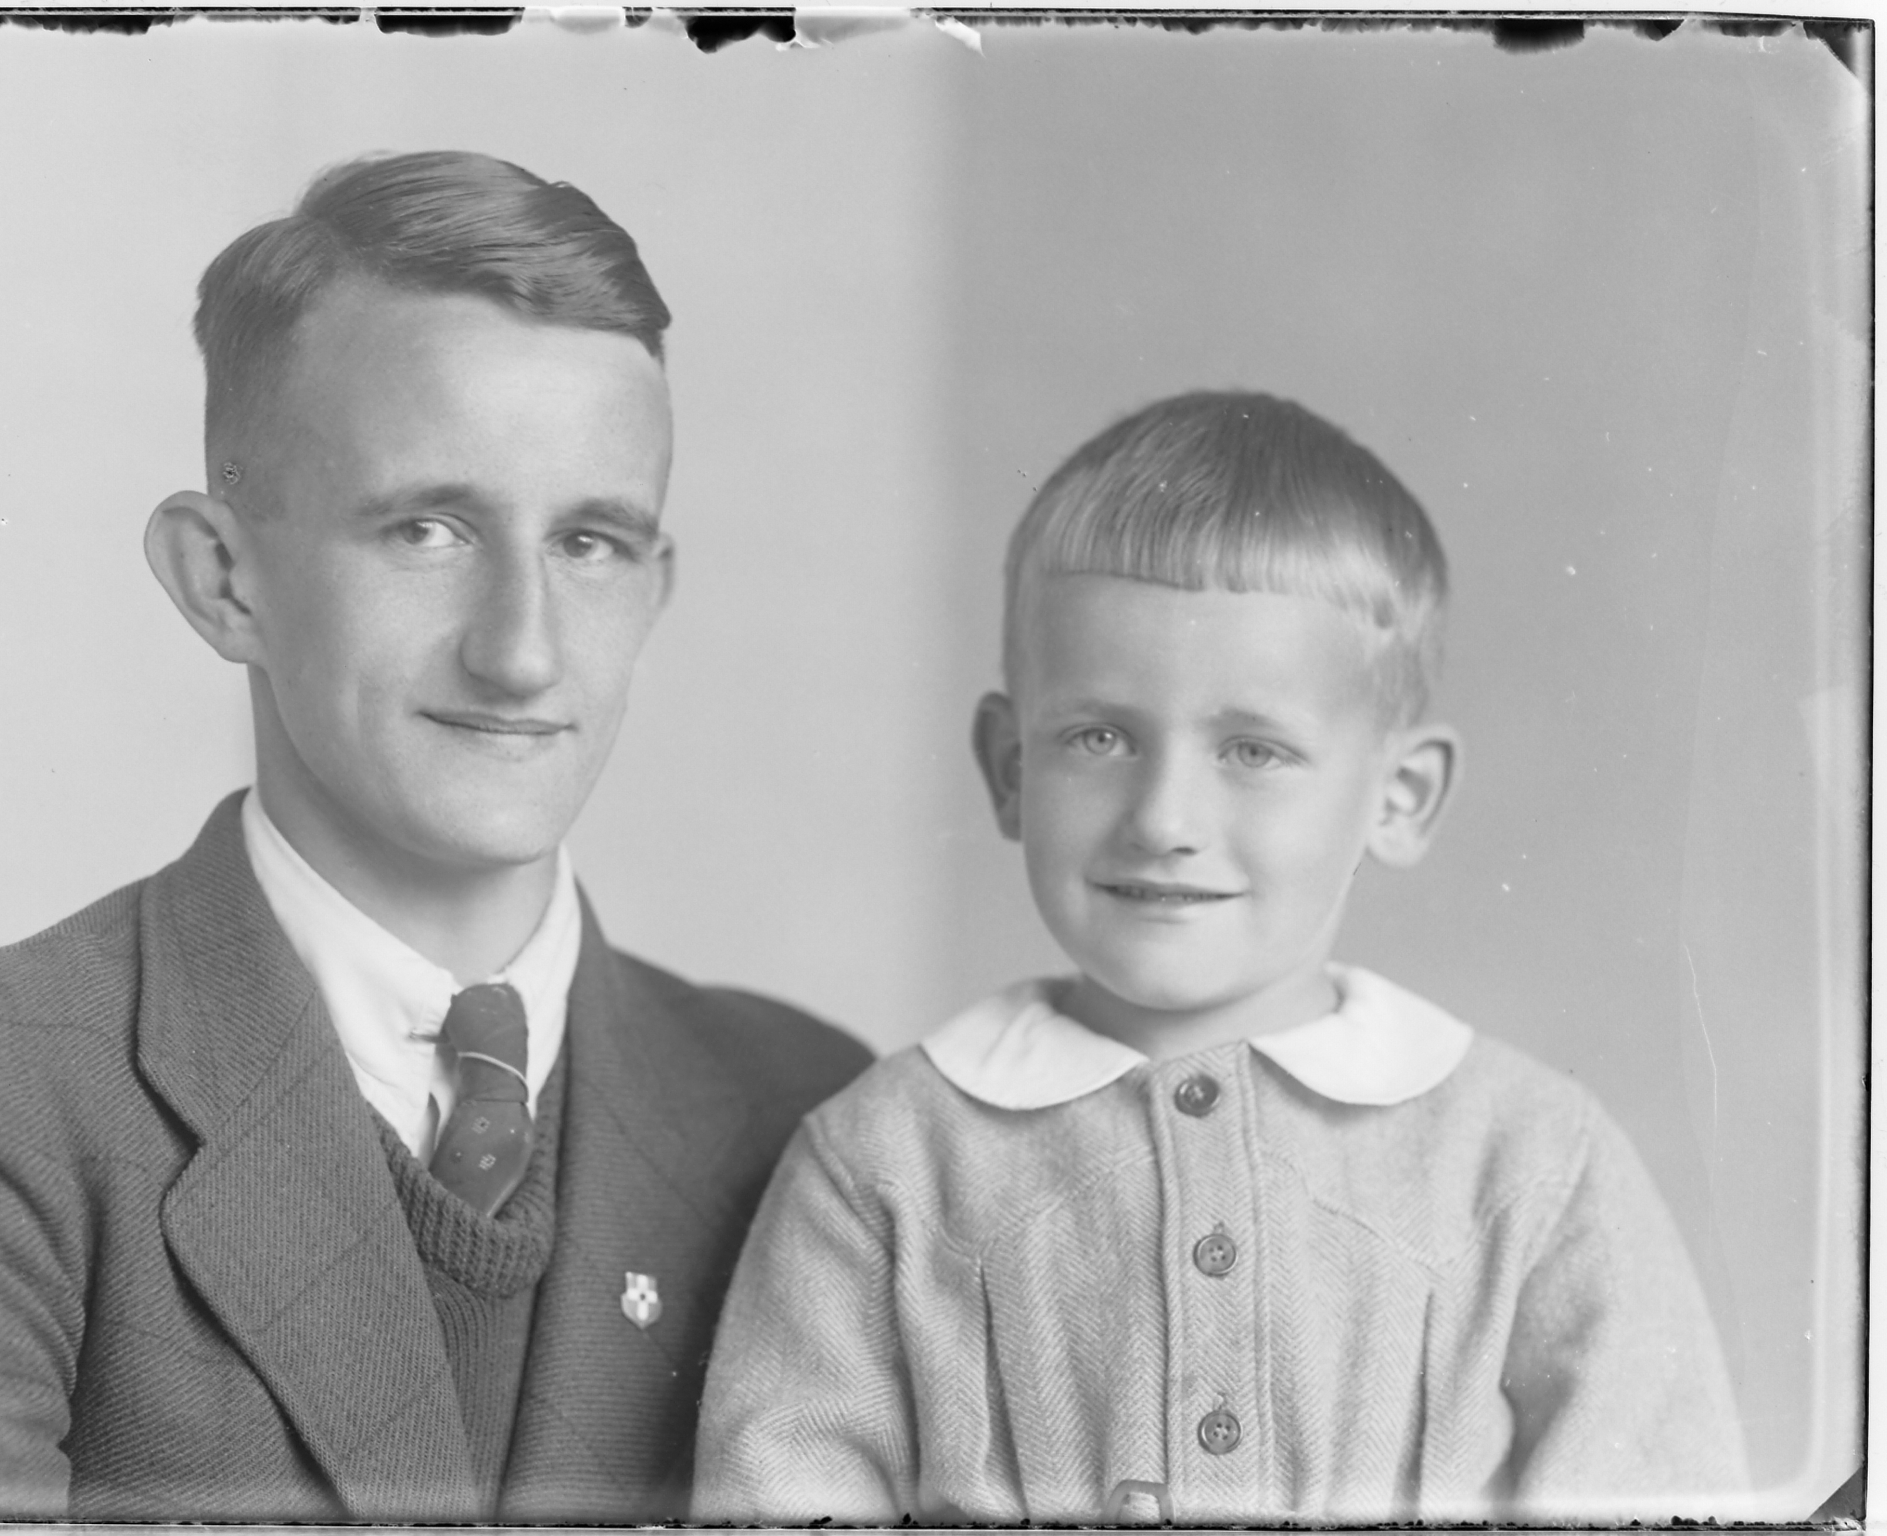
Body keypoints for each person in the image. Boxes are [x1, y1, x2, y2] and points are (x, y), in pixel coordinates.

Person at [0, 150, 869, 1522]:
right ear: (225, 580)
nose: (522, 652)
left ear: (652, 589)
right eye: (428, 529)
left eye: (590, 544)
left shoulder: (810, 1116)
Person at [693, 391, 1746, 1524]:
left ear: (1399, 797)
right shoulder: (883, 1163)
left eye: (1253, 750)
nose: (1164, 819)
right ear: (1009, 768)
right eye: (1100, 737)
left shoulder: (1531, 1163)